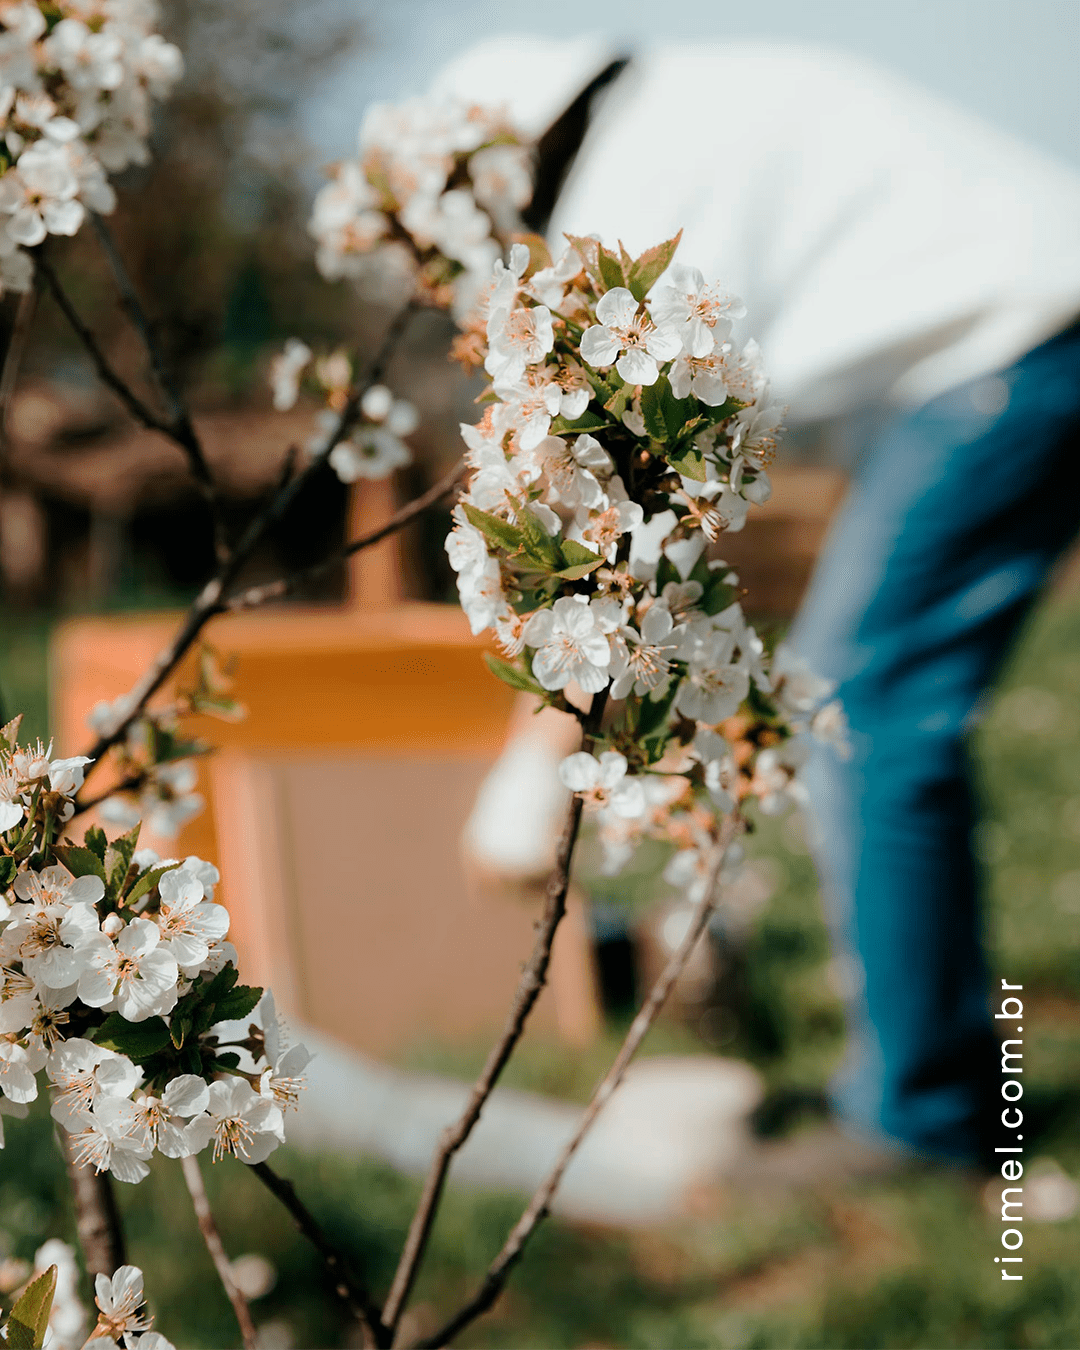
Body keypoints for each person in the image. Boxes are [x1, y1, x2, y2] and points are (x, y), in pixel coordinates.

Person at [434, 35, 1080, 1167]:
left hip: (1019, 348)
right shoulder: (695, 102)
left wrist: (529, 771)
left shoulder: (629, 197)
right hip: (1019, 337)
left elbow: (645, 499)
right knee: (865, 691)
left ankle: (919, 1121)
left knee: (864, 707)